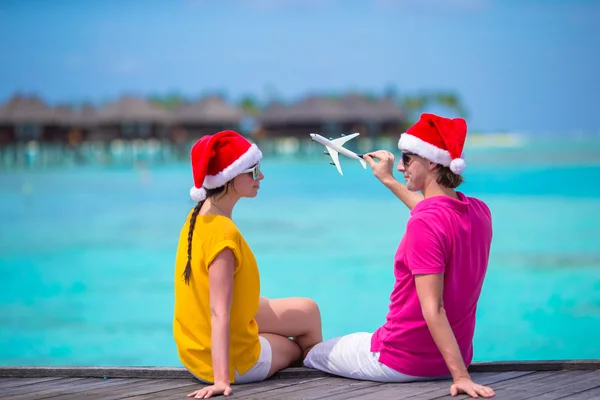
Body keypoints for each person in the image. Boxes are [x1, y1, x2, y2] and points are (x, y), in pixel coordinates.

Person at [304, 113, 496, 399]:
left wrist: (461, 378)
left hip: (401, 360)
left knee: (311, 353)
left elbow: (434, 309)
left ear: (431, 161)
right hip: (454, 357)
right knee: (354, 340)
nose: (402, 165)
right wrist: (388, 180)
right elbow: (431, 211)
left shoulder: (425, 222)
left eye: (407, 158)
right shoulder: (480, 212)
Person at [173, 130, 322, 399]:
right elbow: (219, 312)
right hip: (229, 362)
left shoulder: (197, 218)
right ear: (229, 178)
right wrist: (221, 380)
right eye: (253, 171)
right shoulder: (223, 235)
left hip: (195, 348)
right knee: (294, 348)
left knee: (308, 310)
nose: (261, 177)